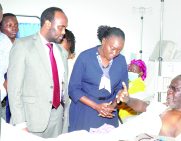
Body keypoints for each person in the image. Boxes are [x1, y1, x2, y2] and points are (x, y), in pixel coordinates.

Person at [7, 7, 70, 138]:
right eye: (61, 27)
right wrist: (20, 124)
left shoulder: (62, 52)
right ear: (47, 24)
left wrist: (65, 119)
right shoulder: (22, 46)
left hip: (57, 121)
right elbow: (14, 90)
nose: (64, 32)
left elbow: (62, 87)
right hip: (31, 120)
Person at [68, 25, 128, 132]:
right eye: (112, 48)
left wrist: (113, 105)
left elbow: (121, 88)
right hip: (85, 110)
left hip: (109, 112)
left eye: (119, 50)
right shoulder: (85, 57)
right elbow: (73, 89)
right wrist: (96, 106)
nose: (115, 53)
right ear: (103, 41)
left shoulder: (121, 61)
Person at [117, 74, 181, 138]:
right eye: (169, 88)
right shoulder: (166, 107)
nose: (169, 91)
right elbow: (142, 106)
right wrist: (128, 100)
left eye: (174, 88)